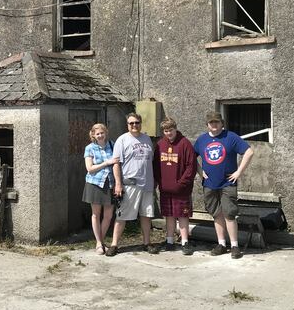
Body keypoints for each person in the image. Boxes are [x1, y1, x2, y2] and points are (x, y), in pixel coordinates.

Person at [193, 111, 254, 259]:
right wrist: (200, 172)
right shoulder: (201, 140)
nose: (214, 125)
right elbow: (191, 157)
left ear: (222, 123)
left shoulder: (231, 137)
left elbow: (249, 152)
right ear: (207, 124)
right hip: (209, 184)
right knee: (216, 214)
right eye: (211, 122)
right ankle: (221, 244)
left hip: (228, 183)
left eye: (217, 122)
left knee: (229, 214)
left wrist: (239, 172)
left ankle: (234, 246)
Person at [106, 112, 158, 256]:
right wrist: (118, 184)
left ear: (141, 123)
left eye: (137, 122)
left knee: (146, 215)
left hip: (147, 184)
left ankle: (147, 243)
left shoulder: (147, 139)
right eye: (131, 123)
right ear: (127, 125)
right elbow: (116, 164)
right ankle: (114, 245)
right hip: (130, 184)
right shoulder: (122, 140)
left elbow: (150, 162)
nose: (134, 125)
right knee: (122, 215)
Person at [153, 117, 197, 255]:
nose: (168, 133)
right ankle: (170, 241)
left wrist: (181, 184)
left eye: (171, 130)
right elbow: (155, 166)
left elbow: (191, 167)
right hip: (165, 189)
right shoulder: (160, 145)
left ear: (175, 129)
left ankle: (185, 242)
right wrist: (160, 182)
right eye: (166, 131)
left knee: (182, 216)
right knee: (169, 215)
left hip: (181, 190)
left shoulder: (185, 144)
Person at [82, 123, 116, 255]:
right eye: (97, 134)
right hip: (95, 183)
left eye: (102, 133)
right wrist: (106, 163)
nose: (100, 135)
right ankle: (98, 243)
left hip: (110, 184)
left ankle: (101, 242)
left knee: (108, 215)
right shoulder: (90, 148)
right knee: (96, 214)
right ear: (93, 135)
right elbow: (89, 168)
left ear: (105, 133)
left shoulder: (112, 145)